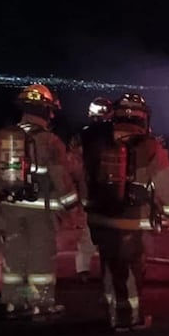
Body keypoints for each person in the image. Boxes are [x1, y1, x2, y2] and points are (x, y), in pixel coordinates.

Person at [82, 93, 169, 331]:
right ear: (143, 117)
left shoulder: (95, 140)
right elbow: (164, 187)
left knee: (108, 264)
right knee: (131, 270)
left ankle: (112, 314)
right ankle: (131, 319)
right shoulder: (151, 147)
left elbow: (83, 178)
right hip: (133, 221)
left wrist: (89, 208)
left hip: (100, 218)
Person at [0, 84, 79, 320]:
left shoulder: (5, 136)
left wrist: (1, 207)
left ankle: (15, 302)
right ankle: (40, 303)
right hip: (41, 211)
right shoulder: (50, 141)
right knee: (40, 257)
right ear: (46, 111)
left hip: (10, 207)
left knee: (14, 255)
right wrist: (72, 207)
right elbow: (61, 179)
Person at [71, 97, 114, 282]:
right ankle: (110, 270)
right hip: (111, 191)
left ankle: (83, 269)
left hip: (90, 191)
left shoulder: (83, 134)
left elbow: (76, 163)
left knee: (89, 231)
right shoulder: (115, 134)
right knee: (111, 233)